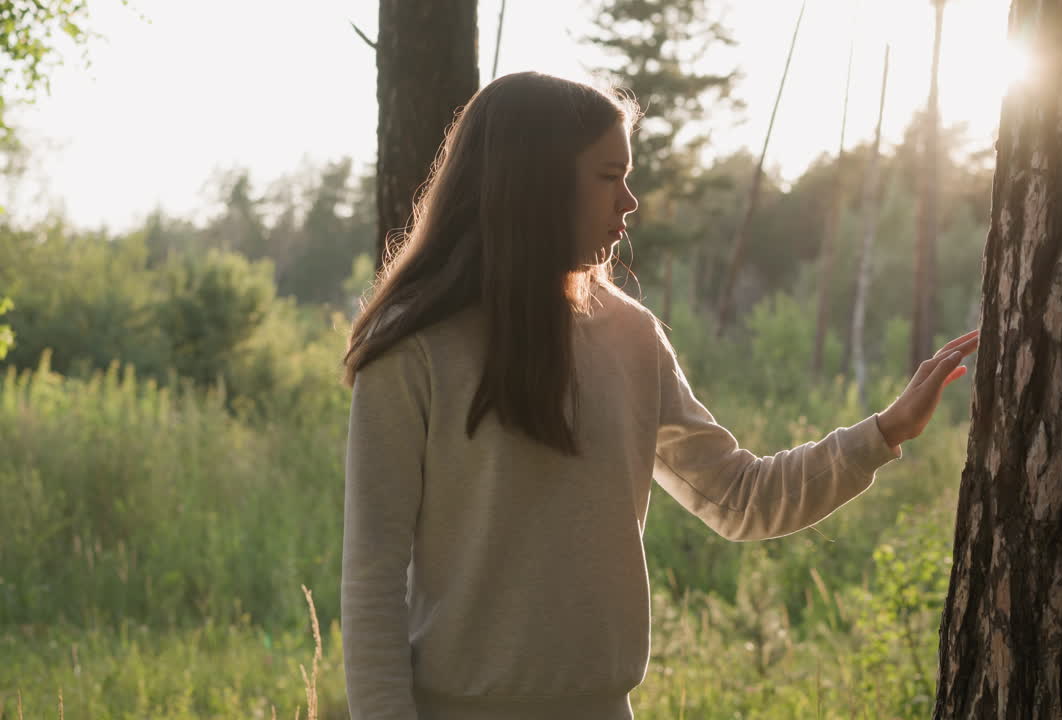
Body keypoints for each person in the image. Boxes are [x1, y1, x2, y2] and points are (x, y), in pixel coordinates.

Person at [340, 71, 978, 720]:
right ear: (535, 183)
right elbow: (373, 581)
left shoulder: (629, 337)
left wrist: (885, 432)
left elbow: (739, 496)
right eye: (609, 175)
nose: (631, 201)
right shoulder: (413, 352)